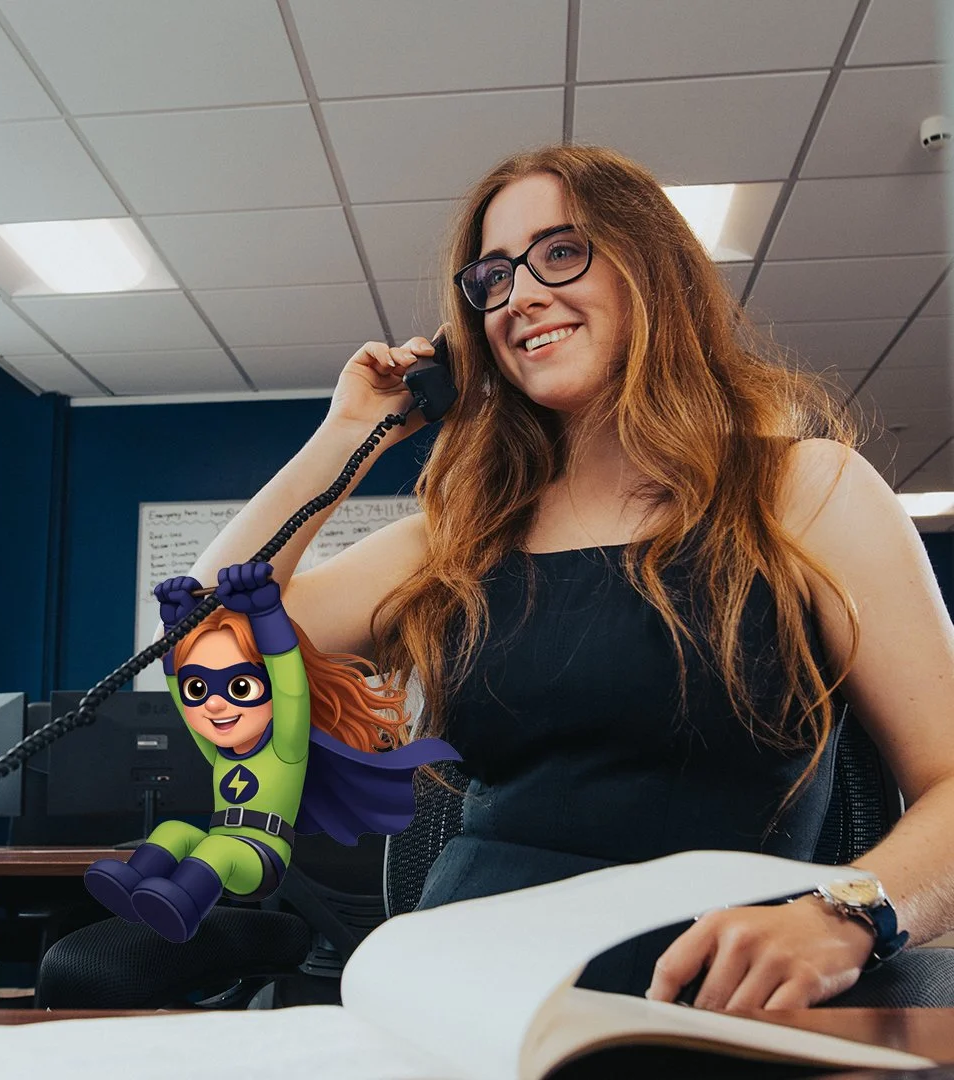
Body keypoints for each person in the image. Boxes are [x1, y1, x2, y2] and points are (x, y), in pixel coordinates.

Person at [185, 144, 954, 1010]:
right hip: (456, 994)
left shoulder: (804, 492)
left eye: (560, 251)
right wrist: (344, 435)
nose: (521, 296)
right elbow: (209, 639)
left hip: (706, 1004)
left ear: (650, 271)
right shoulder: (461, 535)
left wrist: (849, 913)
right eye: (492, 279)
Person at [86, 562, 457, 942]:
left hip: (261, 857)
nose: (214, 705)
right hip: (226, 852)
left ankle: (181, 908)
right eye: (201, 689)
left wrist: (266, 613)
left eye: (240, 688)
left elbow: (290, 686)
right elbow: (182, 700)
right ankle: (131, 888)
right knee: (173, 831)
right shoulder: (223, 753)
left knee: (217, 847)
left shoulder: (284, 748)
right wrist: (176, 628)